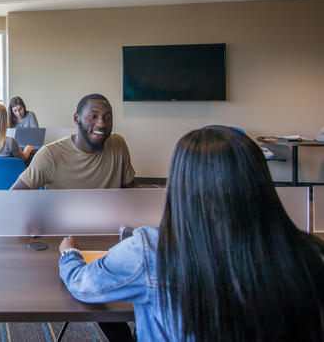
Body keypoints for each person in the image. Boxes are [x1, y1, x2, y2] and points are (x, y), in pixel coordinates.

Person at [58, 125, 324, 341]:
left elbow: (84, 285)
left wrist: (70, 253)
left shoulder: (152, 249)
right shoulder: (308, 253)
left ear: (180, 183)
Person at [10, 94, 134, 190]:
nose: (102, 124)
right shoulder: (49, 155)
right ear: (76, 118)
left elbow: (131, 190)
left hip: (111, 222)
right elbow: (14, 197)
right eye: (94, 116)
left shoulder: (118, 145)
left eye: (107, 118)